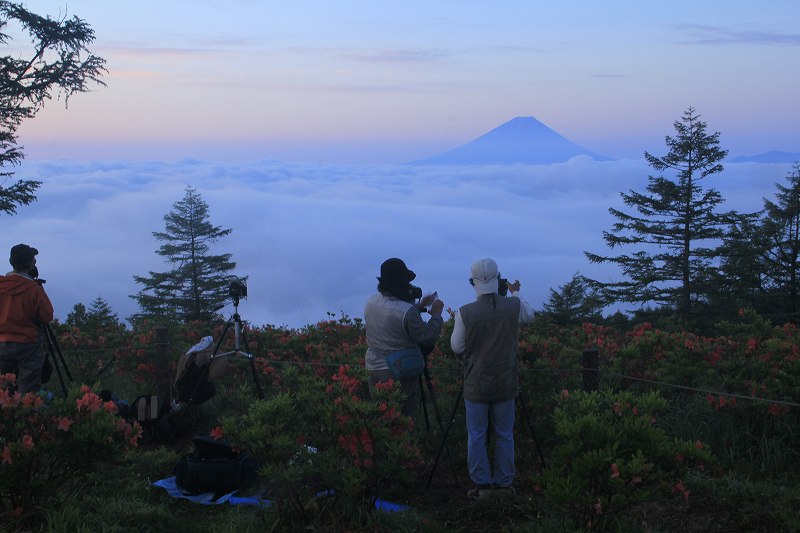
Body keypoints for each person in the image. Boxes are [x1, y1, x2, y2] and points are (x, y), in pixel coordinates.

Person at [450, 258, 534, 500]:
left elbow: (457, 347)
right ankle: (505, 484)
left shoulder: (465, 313)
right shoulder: (512, 306)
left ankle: (482, 486)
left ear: (472, 282)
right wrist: (515, 293)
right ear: (500, 279)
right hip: (506, 381)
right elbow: (529, 315)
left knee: (476, 435)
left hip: (476, 382)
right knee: (504, 434)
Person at [364, 258, 444, 417]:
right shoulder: (408, 311)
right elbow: (427, 337)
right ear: (400, 284)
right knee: (404, 417)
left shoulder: (371, 301)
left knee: (382, 417)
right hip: (398, 372)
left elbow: (394, 314)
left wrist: (419, 306)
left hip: (373, 367)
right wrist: (436, 316)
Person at [0, 244, 54, 394]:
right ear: (31, 264)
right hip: (28, 344)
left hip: (2, 342)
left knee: (3, 387)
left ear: (11, 262)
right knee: (28, 387)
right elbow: (47, 316)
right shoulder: (33, 289)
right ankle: (26, 414)